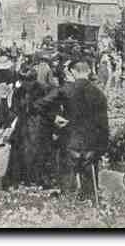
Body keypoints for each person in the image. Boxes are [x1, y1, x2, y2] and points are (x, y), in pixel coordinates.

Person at [38, 61, 109, 200]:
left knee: (67, 182)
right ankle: (89, 207)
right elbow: (103, 125)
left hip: (70, 140)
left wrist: (54, 117)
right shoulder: (99, 94)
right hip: (91, 143)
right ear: (89, 72)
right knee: (90, 187)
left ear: (73, 72)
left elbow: (40, 104)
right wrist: (102, 148)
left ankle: (67, 203)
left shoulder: (66, 89)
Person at [2, 66, 51, 189]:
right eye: (22, 81)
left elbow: (50, 109)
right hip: (23, 124)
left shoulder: (43, 90)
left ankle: (38, 179)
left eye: (28, 81)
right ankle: (22, 179)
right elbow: (14, 110)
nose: (25, 84)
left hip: (39, 124)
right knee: (20, 150)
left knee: (38, 151)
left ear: (34, 80)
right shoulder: (18, 92)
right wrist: (7, 125)